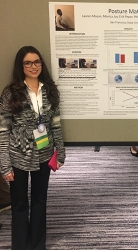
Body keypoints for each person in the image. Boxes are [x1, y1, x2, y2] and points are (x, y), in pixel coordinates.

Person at [0, 46, 66, 250]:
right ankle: (21, 246)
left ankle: (38, 245)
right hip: (18, 154)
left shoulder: (50, 89)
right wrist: (4, 165)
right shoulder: (11, 92)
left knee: (40, 200)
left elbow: (55, 124)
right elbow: (3, 129)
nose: (33, 66)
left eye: (37, 62)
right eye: (27, 63)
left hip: (44, 152)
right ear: (21, 66)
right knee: (19, 203)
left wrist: (60, 153)